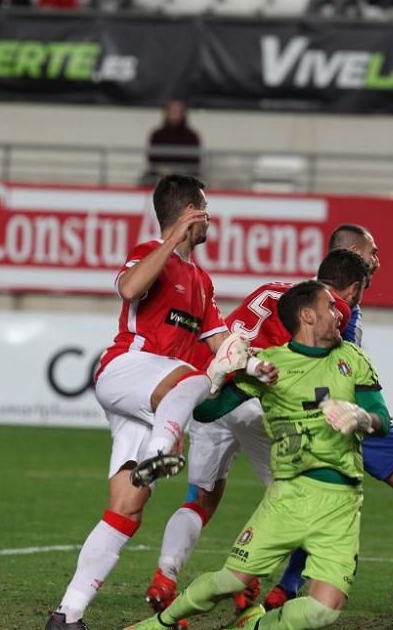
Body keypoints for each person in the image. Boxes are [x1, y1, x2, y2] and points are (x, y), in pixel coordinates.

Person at [44, 174, 275, 630]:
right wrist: (171, 240)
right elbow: (129, 289)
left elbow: (222, 344)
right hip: (127, 369)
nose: (211, 218)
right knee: (195, 379)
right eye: (204, 209)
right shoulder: (149, 252)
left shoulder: (203, 281)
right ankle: (161, 453)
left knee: (126, 509)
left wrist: (254, 367)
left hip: (155, 397)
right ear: (190, 212)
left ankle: (66, 614)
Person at [125, 280, 391, 630]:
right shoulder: (270, 365)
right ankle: (161, 623)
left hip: (342, 503)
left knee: (323, 611)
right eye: (330, 308)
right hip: (289, 498)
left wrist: (361, 418)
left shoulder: (352, 359)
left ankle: (251, 626)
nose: (339, 316)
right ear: (308, 316)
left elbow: (382, 420)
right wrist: (217, 376)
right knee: (230, 582)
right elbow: (207, 413)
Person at [262, 223, 393, 624]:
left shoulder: (305, 303)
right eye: (372, 252)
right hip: (350, 416)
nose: (378, 259)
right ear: (354, 255)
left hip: (307, 414)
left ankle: (282, 587)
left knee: (324, 501)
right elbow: (343, 368)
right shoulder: (341, 311)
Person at [145, 100, 202, 181]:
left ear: (183, 114)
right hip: (160, 172)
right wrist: (161, 169)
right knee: (146, 179)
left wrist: (180, 172)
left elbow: (195, 160)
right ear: (166, 113)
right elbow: (152, 158)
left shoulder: (192, 136)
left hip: (186, 173)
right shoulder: (157, 135)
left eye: (177, 111)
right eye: (172, 111)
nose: (174, 114)